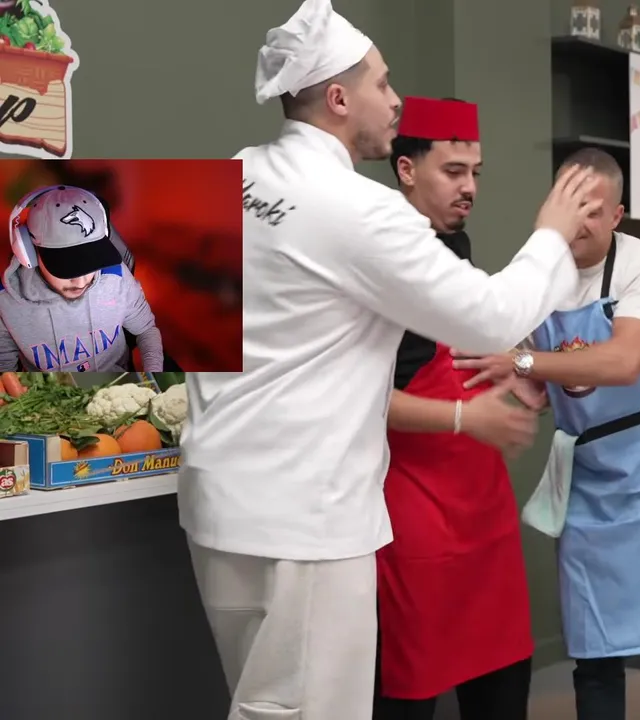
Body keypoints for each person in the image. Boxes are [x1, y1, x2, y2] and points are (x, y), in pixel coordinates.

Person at [176, 2, 602, 719]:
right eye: (382, 81)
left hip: (218, 505)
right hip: (307, 518)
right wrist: (552, 235)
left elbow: (188, 325)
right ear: (339, 99)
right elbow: (494, 314)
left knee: (257, 701)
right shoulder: (363, 208)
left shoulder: (231, 174)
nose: (395, 99)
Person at [457, 148, 640, 720]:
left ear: (617, 216)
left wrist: (526, 363)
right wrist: (527, 384)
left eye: (594, 210)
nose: (579, 221)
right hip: (591, 486)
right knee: (594, 649)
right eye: (569, 204)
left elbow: (622, 362)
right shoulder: (535, 272)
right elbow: (508, 349)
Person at [373, 96, 538, 720]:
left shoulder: (457, 251)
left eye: (475, 173)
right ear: (406, 169)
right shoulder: (380, 262)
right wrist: (468, 418)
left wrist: (512, 367)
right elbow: (361, 399)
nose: (469, 187)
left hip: (484, 516)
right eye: (453, 171)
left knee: (503, 688)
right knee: (410, 691)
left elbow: (467, 349)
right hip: (415, 516)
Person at [0, 184, 163, 372]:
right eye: (67, 268)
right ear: (28, 252)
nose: (81, 282)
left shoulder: (117, 277)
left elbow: (146, 330)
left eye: (90, 263)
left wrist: (153, 375)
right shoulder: (5, 304)